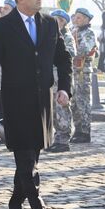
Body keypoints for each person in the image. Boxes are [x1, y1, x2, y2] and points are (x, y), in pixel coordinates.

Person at [0, 0, 72, 209]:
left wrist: (64, 87)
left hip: (43, 103)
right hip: (15, 102)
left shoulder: (50, 24)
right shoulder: (2, 27)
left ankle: (13, 207)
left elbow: (63, 59)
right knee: (25, 157)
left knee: (32, 158)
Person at [46, 9, 76, 153]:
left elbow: (69, 54)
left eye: (59, 20)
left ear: (64, 23)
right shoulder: (48, 35)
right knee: (53, 108)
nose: (55, 22)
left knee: (62, 107)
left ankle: (63, 139)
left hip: (60, 75)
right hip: (51, 75)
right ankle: (56, 137)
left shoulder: (67, 36)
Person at [70, 8, 97, 143]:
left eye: (79, 17)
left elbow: (85, 49)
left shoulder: (89, 33)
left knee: (83, 102)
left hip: (82, 72)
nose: (76, 19)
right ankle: (78, 129)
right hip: (72, 71)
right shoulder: (73, 31)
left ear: (86, 19)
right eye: (75, 17)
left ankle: (85, 132)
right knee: (74, 102)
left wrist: (70, 49)